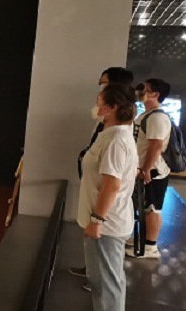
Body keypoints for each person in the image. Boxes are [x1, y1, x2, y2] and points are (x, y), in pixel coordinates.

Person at [70, 67, 134, 291]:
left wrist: (97, 220)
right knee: (103, 282)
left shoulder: (117, 138)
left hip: (107, 224)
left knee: (107, 286)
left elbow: (112, 185)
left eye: (100, 100)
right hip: (104, 221)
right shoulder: (110, 133)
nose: (96, 105)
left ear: (113, 106)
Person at [125, 78, 172, 259]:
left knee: (152, 208)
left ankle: (151, 246)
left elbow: (156, 145)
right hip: (143, 169)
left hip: (153, 172)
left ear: (155, 94)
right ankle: (143, 239)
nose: (140, 91)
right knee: (143, 206)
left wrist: (146, 169)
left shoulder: (157, 117)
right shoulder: (146, 115)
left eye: (144, 88)